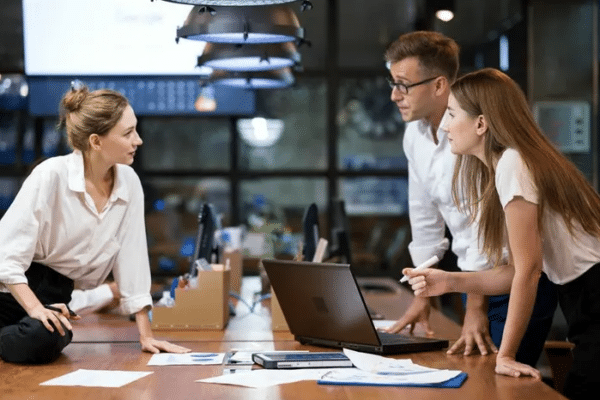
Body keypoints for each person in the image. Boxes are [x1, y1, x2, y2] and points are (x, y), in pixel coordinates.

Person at [403, 67, 600, 399]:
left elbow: (528, 272)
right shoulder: (508, 165)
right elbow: (513, 270)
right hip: (582, 298)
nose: (447, 125)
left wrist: (506, 355)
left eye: (452, 114)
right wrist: (450, 281)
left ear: (481, 123)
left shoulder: (513, 163)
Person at [382, 31, 557, 367]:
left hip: (511, 276)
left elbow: (481, 228)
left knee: (495, 374)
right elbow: (424, 218)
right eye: (392, 83)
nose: (394, 95)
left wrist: (474, 308)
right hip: (482, 277)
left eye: (403, 85)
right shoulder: (414, 135)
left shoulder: (474, 140)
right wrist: (423, 297)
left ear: (438, 85)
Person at [0, 83, 190, 364]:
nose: (138, 140)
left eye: (135, 130)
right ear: (96, 141)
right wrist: (36, 308)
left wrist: (146, 336)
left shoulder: (129, 182)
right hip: (11, 291)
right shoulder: (51, 175)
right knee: (43, 333)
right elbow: (5, 255)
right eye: (128, 133)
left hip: (58, 291)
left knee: (50, 337)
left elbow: (132, 259)